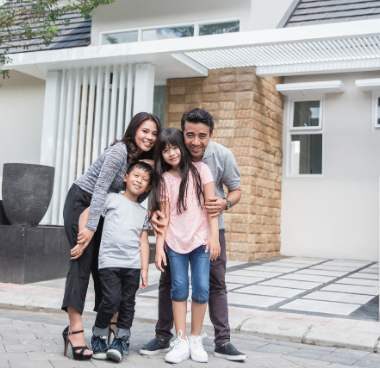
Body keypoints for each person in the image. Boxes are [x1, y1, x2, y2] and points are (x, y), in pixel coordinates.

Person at [140, 108, 246, 362]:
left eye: (202, 136)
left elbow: (236, 190)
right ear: (182, 134)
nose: (195, 142)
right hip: (176, 234)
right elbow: (151, 184)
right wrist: (152, 219)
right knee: (171, 283)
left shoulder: (221, 156)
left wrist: (225, 204)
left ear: (210, 135)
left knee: (213, 282)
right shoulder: (173, 153)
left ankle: (222, 340)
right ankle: (167, 336)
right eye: (190, 135)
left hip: (209, 231)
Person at [61, 112, 160, 360]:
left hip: (104, 208)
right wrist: (90, 228)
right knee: (82, 263)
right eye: (144, 130)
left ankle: (105, 328)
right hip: (83, 201)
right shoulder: (119, 152)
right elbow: (100, 188)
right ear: (134, 129)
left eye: (154, 133)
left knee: (103, 267)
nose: (149, 137)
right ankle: (74, 330)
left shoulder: (143, 161)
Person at [151, 127, 220, 364]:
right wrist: (159, 247)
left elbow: (212, 208)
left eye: (174, 147)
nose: (171, 153)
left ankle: (196, 338)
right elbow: (164, 216)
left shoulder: (201, 170)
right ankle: (180, 339)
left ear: (182, 146)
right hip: (174, 242)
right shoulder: (164, 180)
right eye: (165, 150)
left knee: (201, 288)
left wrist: (214, 237)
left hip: (200, 241)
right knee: (179, 288)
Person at [79, 161, 153, 362]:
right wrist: (82, 236)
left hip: (132, 265)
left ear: (147, 188)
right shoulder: (110, 199)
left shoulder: (142, 212)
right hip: (109, 261)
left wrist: (145, 269)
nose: (139, 181)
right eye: (136, 176)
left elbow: (144, 242)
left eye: (145, 179)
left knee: (128, 303)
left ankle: (121, 340)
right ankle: (99, 334)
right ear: (126, 177)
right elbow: (88, 213)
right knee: (110, 300)